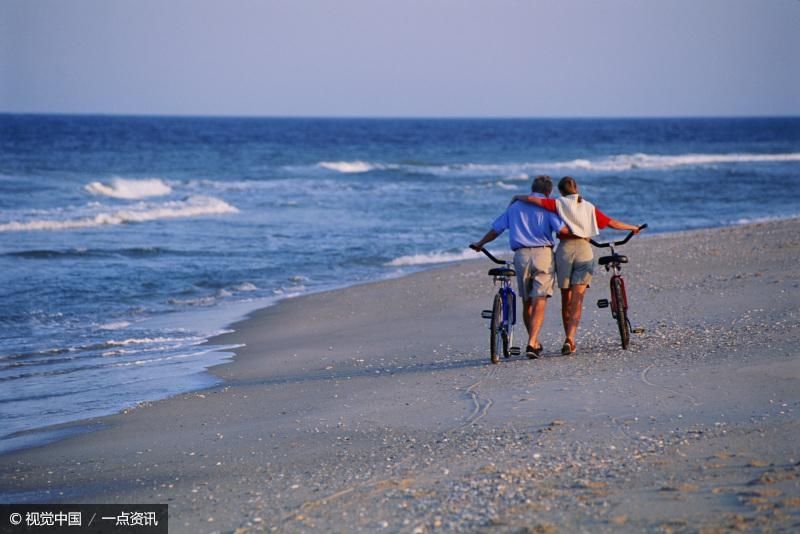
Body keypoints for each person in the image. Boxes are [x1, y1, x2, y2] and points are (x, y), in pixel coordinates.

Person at [510, 176, 642, 355]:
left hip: (564, 251)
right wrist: (632, 227)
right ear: (576, 188)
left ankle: (554, 338)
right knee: (577, 298)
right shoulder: (588, 206)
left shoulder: (557, 204)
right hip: (584, 249)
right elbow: (611, 222)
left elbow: (534, 201)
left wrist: (518, 197)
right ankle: (570, 339)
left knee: (566, 298)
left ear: (561, 191)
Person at [470, 175, 569, 358]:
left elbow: (496, 229)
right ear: (548, 191)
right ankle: (532, 342)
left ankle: (533, 341)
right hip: (543, 254)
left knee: (527, 300)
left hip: (521, 255)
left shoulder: (515, 207)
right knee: (540, 298)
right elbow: (561, 230)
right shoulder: (547, 207)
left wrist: (480, 243)